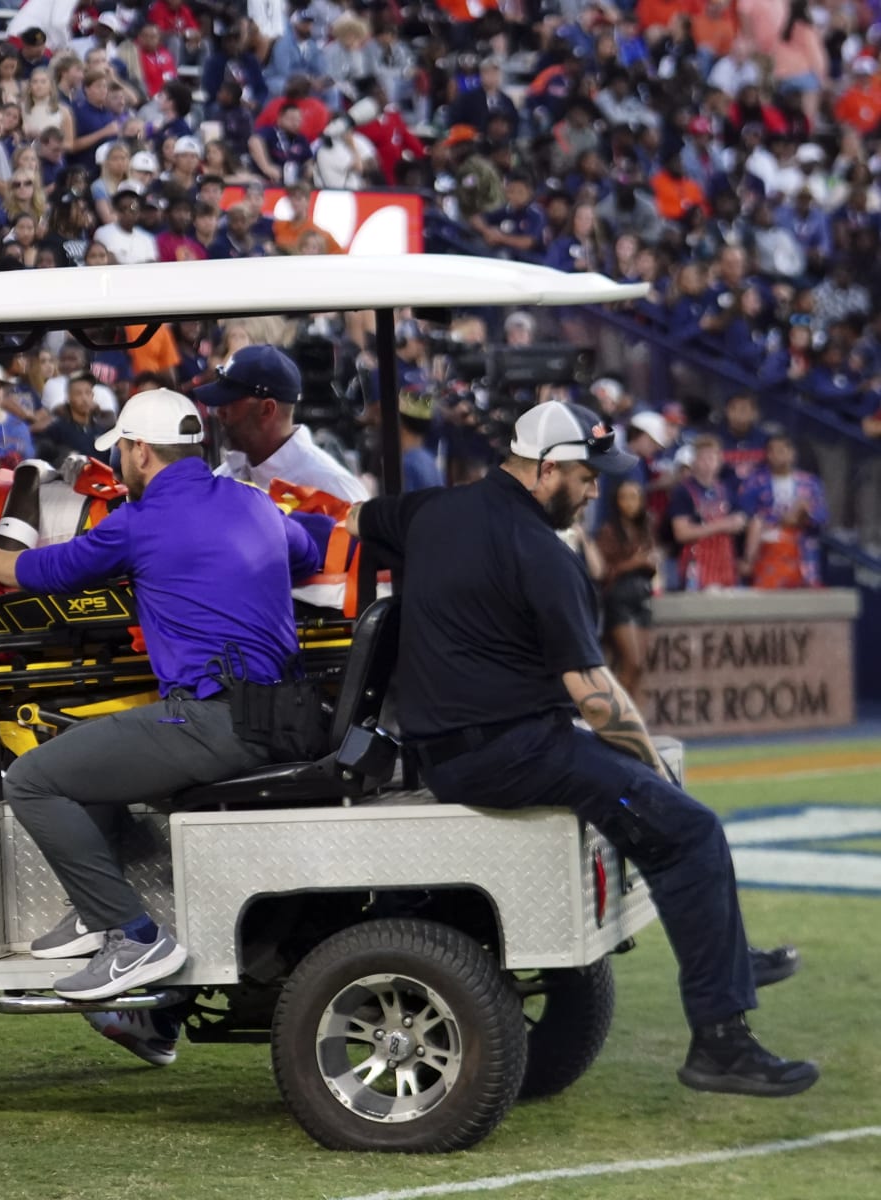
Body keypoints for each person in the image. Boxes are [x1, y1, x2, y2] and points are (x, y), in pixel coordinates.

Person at [346, 401, 815, 1098]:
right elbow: (595, 694)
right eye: (586, 475)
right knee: (689, 829)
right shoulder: (541, 551)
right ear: (544, 470)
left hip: (449, 748)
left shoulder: (432, 510)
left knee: (661, 809)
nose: (596, 490)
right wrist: (653, 770)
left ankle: (727, 956)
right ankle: (721, 1043)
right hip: (510, 749)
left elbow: (358, 521)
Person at [0, 389, 323, 1061]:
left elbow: (36, 570)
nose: (119, 461)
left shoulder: (139, 521)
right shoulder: (252, 501)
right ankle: (100, 918)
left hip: (212, 721)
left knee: (33, 778)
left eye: (120, 450)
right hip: (284, 716)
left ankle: (133, 937)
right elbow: (308, 552)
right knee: (82, 763)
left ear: (141, 452)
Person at [195, 344, 368, 502]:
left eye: (230, 402)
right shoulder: (225, 477)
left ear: (267, 409)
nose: (219, 412)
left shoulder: (330, 486)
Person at [594, 478, 661, 698]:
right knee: (630, 662)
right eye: (624, 497)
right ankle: (613, 716)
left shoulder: (646, 528)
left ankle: (632, 720)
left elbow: (651, 563)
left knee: (640, 666)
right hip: (619, 596)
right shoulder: (609, 530)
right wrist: (635, 562)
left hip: (642, 595)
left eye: (634, 497)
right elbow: (602, 570)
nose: (629, 503)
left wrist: (650, 563)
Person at [737, 432, 827, 589]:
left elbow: (822, 516)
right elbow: (745, 514)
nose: (777, 456)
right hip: (767, 550)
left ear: (792, 453)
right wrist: (780, 520)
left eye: (782, 450)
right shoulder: (755, 482)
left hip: (801, 550)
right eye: (772, 451)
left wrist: (804, 514)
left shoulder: (810, 482)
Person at [668, 435, 743, 591]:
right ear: (694, 461)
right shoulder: (683, 491)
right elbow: (681, 533)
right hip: (697, 562)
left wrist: (739, 522)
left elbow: (739, 521)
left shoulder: (726, 489)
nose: (708, 462)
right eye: (703, 457)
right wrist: (721, 525)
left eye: (712, 457)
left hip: (724, 561)